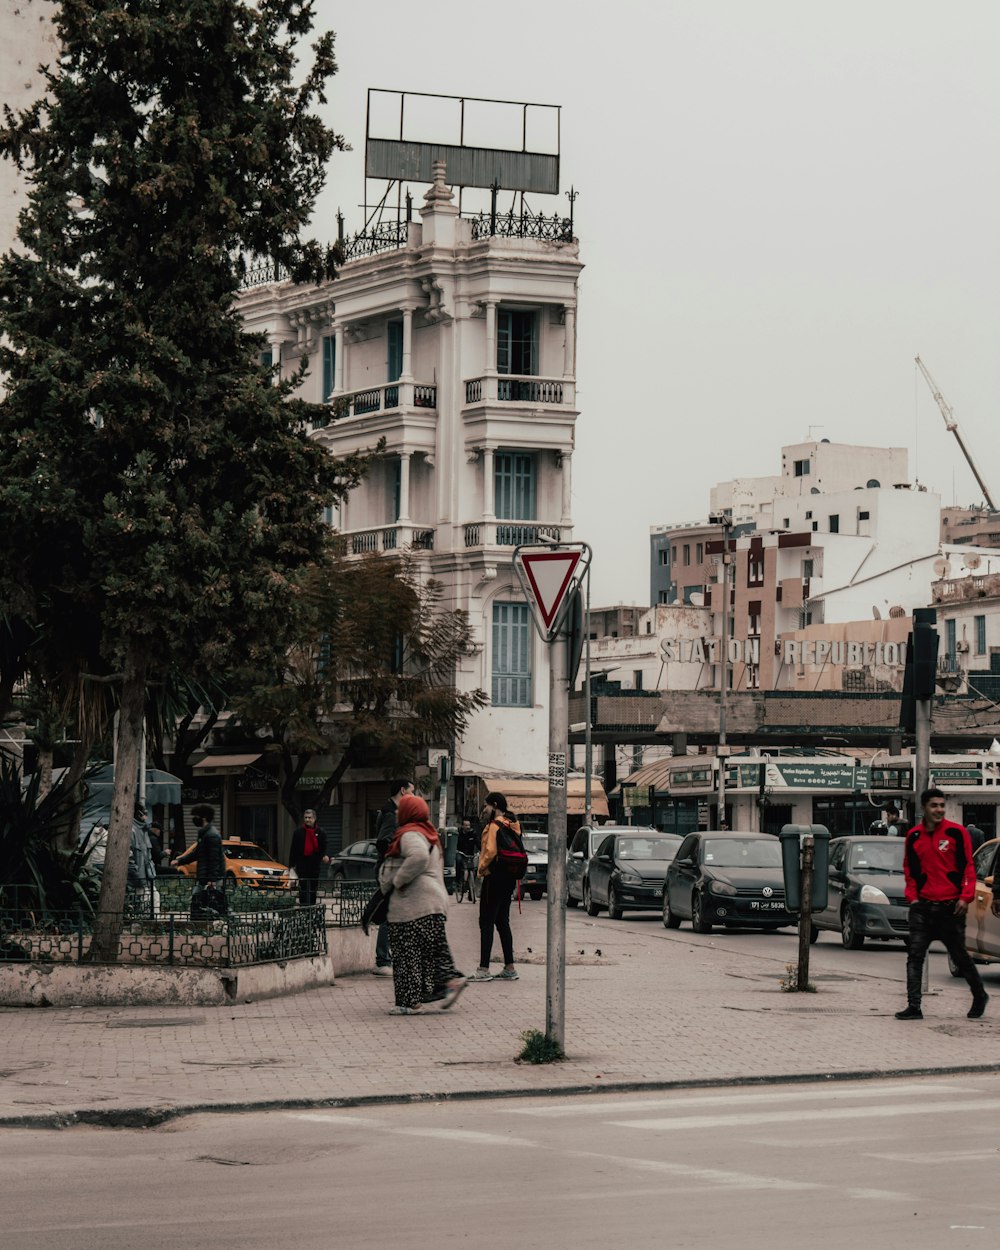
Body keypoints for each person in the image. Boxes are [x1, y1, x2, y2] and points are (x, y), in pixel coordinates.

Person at [896, 787, 988, 1021]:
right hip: (922, 908)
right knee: (915, 956)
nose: (939, 809)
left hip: (950, 908)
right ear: (924, 808)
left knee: (960, 957)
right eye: (934, 805)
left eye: (941, 805)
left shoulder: (957, 833)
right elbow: (910, 870)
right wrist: (913, 897)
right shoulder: (914, 836)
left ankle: (979, 995)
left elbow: (968, 867)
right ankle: (914, 1006)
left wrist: (964, 897)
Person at [377, 793, 465, 1015]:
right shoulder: (428, 833)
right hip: (430, 904)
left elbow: (418, 857)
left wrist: (397, 881)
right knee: (424, 954)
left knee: (407, 955)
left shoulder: (410, 834)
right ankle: (440, 987)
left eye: (401, 809)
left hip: (414, 905)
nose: (397, 813)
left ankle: (410, 1003)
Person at [468, 791, 520, 983]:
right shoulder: (513, 823)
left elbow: (489, 852)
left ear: (495, 805)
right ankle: (509, 966)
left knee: (486, 922)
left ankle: (483, 968)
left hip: (494, 878)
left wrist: (480, 870)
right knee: (502, 921)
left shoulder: (494, 826)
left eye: (486, 805)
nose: (484, 809)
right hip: (509, 879)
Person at [372, 779, 414, 976]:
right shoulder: (391, 813)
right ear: (403, 791)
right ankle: (382, 961)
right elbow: (382, 842)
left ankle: (387, 958)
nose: (413, 796)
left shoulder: (394, 811)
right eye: (412, 791)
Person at [171, 803, 227, 915]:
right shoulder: (205, 834)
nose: (194, 819)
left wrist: (212, 879)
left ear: (204, 817)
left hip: (209, 878)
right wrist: (180, 861)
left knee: (204, 903)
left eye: (196, 816)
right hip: (205, 876)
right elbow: (196, 853)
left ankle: (214, 924)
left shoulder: (211, 835)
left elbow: (214, 859)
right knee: (201, 903)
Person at [288, 808, 330, 906]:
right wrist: (291, 866)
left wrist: (325, 856)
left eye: (309, 818)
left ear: (314, 818)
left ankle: (312, 909)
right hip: (302, 865)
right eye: (306, 818)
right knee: (303, 889)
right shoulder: (298, 832)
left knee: (313, 889)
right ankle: (304, 910)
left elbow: (324, 847)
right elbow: (293, 849)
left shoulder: (321, 832)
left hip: (314, 866)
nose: (307, 820)